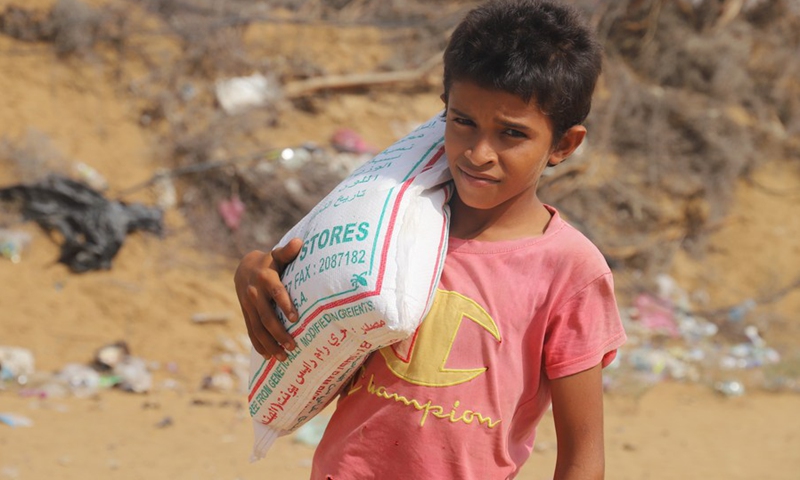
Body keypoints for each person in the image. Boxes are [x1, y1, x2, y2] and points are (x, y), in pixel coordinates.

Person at [234, 0, 627, 478]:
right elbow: (299, 297)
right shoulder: (391, 227)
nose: (479, 153)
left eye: (511, 134)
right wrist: (256, 273)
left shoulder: (570, 271)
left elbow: (583, 455)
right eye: (463, 122)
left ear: (563, 145)